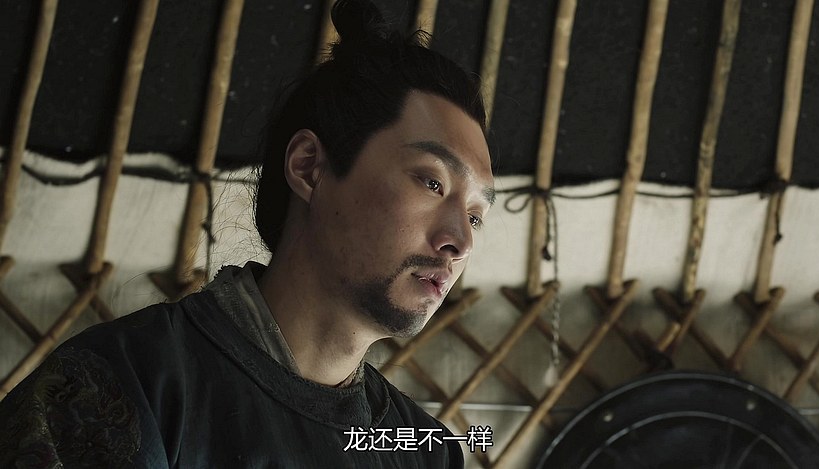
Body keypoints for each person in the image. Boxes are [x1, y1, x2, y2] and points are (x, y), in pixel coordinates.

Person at [0, 0, 494, 466]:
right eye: (433, 182)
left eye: (475, 216)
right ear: (309, 167)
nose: (462, 242)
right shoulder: (118, 389)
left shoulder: (426, 451)